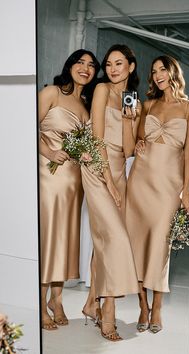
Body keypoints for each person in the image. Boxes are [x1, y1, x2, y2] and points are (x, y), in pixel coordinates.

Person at [126, 55, 189, 333]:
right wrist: (136, 134)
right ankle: (142, 306)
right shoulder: (147, 105)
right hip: (140, 181)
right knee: (137, 245)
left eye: (162, 69)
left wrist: (186, 190)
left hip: (169, 185)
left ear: (173, 73)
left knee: (160, 246)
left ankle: (157, 308)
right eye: (153, 71)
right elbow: (134, 143)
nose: (157, 75)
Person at [81, 44, 141, 341]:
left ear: (131, 66)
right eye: (109, 63)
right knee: (116, 237)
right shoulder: (103, 89)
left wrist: (131, 119)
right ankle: (107, 312)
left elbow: (129, 149)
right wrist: (106, 178)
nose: (113, 68)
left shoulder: (130, 98)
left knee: (104, 240)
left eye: (119, 63)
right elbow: (97, 137)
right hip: (96, 166)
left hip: (118, 168)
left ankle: (92, 302)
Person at [39, 49, 100, 330]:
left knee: (65, 239)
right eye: (80, 62)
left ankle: (57, 299)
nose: (85, 68)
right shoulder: (52, 92)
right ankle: (39, 304)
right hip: (49, 176)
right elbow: (24, 127)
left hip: (75, 181)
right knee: (49, 237)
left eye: (91, 65)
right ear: (70, 66)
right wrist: (49, 153)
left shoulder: (87, 104)